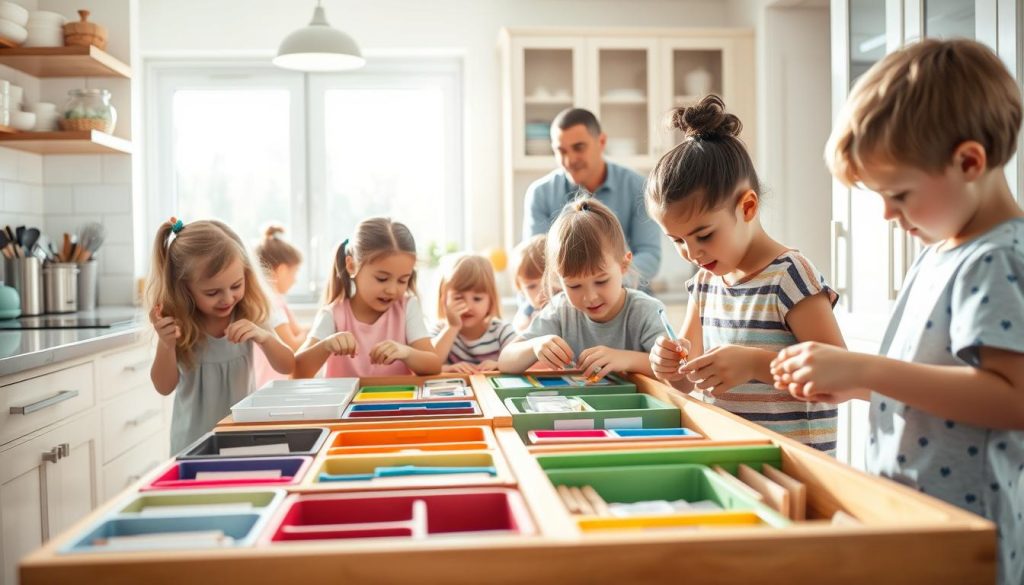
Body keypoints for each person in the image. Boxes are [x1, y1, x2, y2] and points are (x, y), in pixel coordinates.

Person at [770, 39, 1024, 584]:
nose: (886, 213)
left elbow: (1014, 398)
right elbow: (939, 384)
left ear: (969, 161)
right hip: (918, 519)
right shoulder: (938, 252)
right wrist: (856, 386)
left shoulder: (995, 258)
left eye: (900, 194)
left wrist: (865, 370)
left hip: (968, 536)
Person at [646, 95, 846, 452]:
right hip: (730, 454)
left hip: (798, 468)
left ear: (748, 206)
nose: (692, 253)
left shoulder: (790, 276)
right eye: (676, 240)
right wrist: (670, 368)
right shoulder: (705, 283)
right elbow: (689, 379)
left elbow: (841, 378)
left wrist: (755, 364)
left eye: (704, 235)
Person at [146, 217, 295, 454]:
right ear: (184, 289)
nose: (227, 298)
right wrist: (166, 345)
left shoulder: (251, 312)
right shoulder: (179, 324)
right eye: (213, 292)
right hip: (192, 446)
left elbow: (288, 365)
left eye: (236, 285)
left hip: (242, 441)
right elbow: (163, 387)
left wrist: (263, 337)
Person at [499, 198, 664, 379]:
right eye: (574, 286)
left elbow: (676, 371)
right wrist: (535, 345)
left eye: (601, 281)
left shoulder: (645, 311)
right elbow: (506, 360)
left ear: (624, 265)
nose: (590, 297)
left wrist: (626, 359)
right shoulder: (560, 310)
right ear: (558, 280)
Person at [522, 107, 661, 288]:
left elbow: (649, 255)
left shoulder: (638, 187)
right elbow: (536, 260)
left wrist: (606, 283)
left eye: (578, 147)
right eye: (561, 151)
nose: (569, 160)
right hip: (564, 300)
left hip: (628, 299)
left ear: (601, 141)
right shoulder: (539, 193)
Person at [294, 217, 441, 378]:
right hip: (347, 403)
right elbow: (296, 373)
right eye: (382, 279)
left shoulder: (407, 307)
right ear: (351, 266)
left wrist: (407, 353)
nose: (392, 290)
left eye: (402, 280)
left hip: (398, 401)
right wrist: (325, 346)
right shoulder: (333, 314)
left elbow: (434, 365)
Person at [430, 253, 516, 373]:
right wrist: (452, 327)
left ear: (491, 300)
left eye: (477, 299)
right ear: (444, 299)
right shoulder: (440, 330)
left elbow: (519, 361)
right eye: (458, 298)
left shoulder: (502, 331)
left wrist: (499, 365)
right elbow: (429, 364)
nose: (468, 306)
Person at [252, 224, 306, 387]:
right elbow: (294, 346)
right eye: (294, 272)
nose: (295, 280)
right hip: (271, 385)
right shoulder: (271, 304)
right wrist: (309, 333)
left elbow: (295, 331)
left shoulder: (276, 300)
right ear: (282, 270)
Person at [510, 234, 551, 333]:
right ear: (521, 291)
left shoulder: (567, 307)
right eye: (531, 286)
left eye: (548, 283)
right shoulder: (526, 316)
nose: (542, 292)